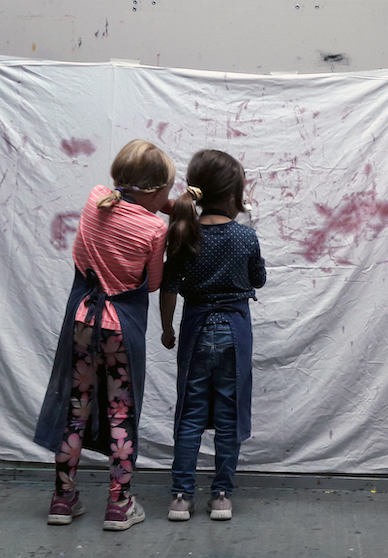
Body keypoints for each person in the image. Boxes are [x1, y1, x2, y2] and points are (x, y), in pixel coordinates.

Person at [34, 139, 174, 531]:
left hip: (82, 320)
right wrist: (162, 211)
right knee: (120, 412)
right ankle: (119, 503)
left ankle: (62, 499)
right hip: (119, 330)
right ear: (156, 192)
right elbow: (150, 285)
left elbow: (80, 256)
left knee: (76, 409)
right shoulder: (155, 227)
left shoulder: (96, 199)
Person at [160, 149, 266, 522]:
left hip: (195, 331)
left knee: (189, 415)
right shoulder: (244, 238)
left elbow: (169, 286)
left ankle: (180, 497)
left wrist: (167, 329)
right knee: (228, 416)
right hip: (235, 334)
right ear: (236, 196)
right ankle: (221, 495)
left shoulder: (184, 234)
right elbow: (259, 280)